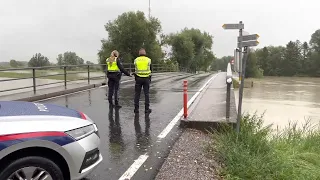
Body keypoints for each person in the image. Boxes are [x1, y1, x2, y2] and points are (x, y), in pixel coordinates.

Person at [132, 48, 152, 114]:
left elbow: (134, 69)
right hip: (146, 78)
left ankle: (136, 109)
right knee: (146, 94)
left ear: (139, 53)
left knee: (137, 94)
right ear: (145, 53)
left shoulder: (136, 60)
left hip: (138, 78)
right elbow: (151, 70)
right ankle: (146, 109)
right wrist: (150, 78)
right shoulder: (148, 60)